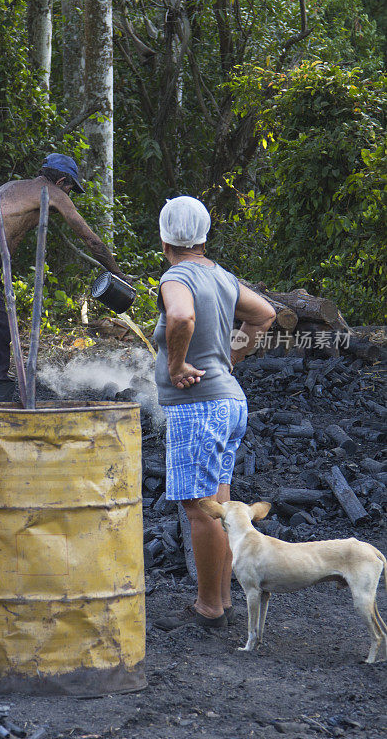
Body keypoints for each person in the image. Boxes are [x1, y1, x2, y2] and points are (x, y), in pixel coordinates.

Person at [0, 153, 125, 417]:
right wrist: (118, 273)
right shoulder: (53, 192)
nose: (70, 194)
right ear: (62, 181)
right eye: (71, 188)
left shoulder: (10, 188)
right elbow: (92, 241)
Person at [152, 196, 276, 630]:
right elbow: (264, 315)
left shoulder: (176, 275)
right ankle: (221, 600)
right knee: (219, 507)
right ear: (203, 236)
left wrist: (176, 365)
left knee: (201, 510)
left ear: (165, 238)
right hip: (228, 403)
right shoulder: (220, 275)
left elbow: (182, 318)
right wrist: (228, 358)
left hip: (200, 408)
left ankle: (207, 609)